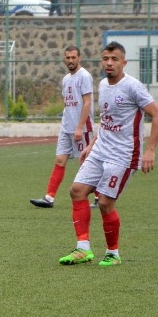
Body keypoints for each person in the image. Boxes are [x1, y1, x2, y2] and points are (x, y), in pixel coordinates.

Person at [58, 41, 158, 267]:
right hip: (100, 150)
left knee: (105, 202)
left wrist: (151, 150)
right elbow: (107, 121)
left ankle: (112, 253)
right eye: (106, 58)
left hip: (124, 156)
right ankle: (83, 249)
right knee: (77, 191)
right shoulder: (103, 85)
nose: (109, 63)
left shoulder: (133, 86)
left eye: (115, 59)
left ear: (123, 63)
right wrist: (91, 144)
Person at [30, 46, 94, 208]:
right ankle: (49, 197)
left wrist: (79, 127)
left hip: (82, 128)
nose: (71, 60)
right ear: (64, 59)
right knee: (59, 160)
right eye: (68, 58)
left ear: (79, 58)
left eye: (73, 57)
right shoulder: (66, 79)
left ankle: (99, 197)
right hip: (66, 128)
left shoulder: (84, 76)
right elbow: (68, 104)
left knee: (87, 163)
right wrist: (67, 123)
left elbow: (87, 103)